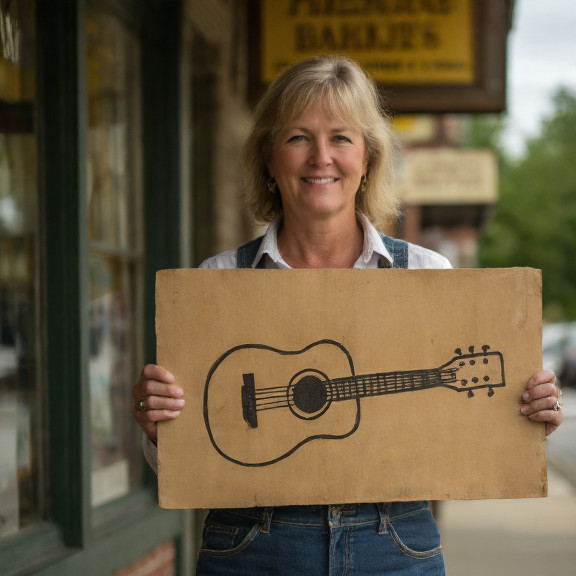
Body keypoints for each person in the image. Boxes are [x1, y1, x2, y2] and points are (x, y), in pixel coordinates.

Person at [132, 55, 563, 575]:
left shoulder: (428, 276)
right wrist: (160, 431)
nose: (321, 158)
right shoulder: (219, 282)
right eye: (297, 138)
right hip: (253, 547)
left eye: (341, 137)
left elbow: (468, 431)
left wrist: (526, 412)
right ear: (268, 158)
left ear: (367, 158)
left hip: (395, 545)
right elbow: (186, 460)